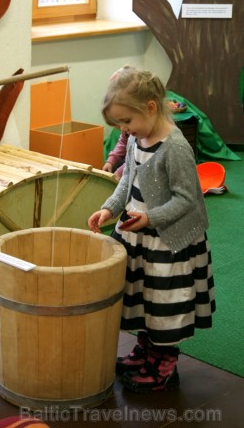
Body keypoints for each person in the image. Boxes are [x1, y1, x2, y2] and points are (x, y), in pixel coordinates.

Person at [88, 67, 215, 393]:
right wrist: (109, 208)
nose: (123, 130)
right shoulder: (135, 139)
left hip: (168, 241)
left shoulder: (175, 148)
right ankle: (147, 350)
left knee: (163, 301)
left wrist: (150, 219)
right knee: (143, 296)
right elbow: (127, 180)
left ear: (150, 107)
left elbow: (187, 200)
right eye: (118, 124)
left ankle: (164, 361)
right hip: (139, 233)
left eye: (126, 122)